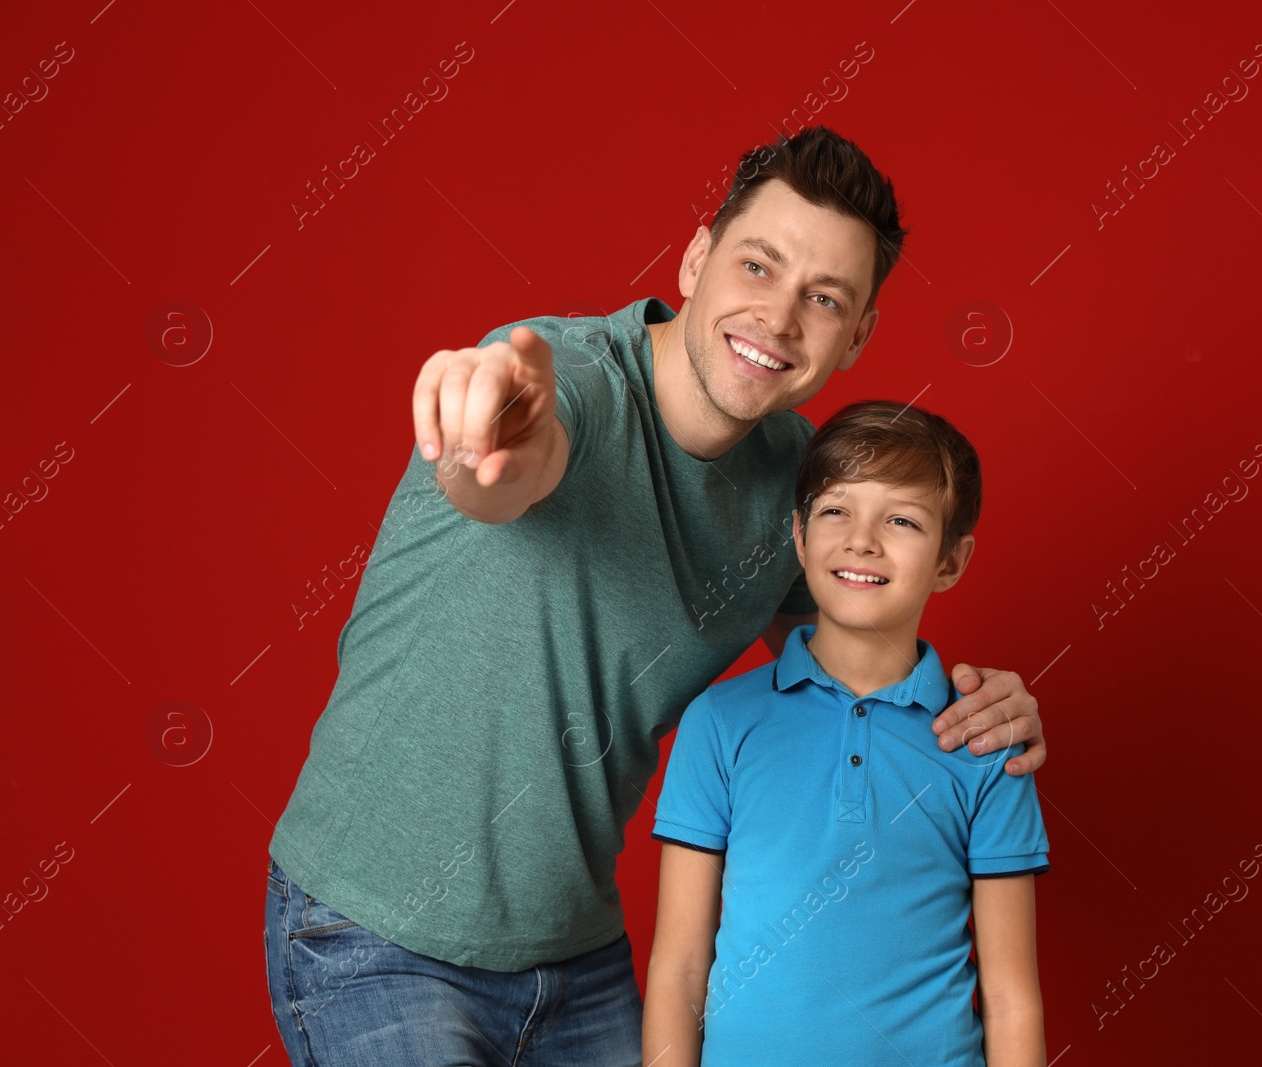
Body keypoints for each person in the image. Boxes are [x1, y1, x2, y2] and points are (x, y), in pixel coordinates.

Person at [264, 126, 1047, 1067]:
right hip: (376, 932)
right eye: (757, 265)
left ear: (858, 335)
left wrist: (987, 708)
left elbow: (858, 652)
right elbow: (507, 471)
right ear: (695, 258)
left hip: (575, 957)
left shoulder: (793, 486)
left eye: (825, 298)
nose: (779, 317)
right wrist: (482, 438)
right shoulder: (571, 382)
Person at [642, 401, 1049, 1067]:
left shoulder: (983, 741)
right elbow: (679, 967)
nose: (862, 539)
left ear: (951, 560)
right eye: (836, 510)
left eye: (902, 519)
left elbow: (1012, 998)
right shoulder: (720, 723)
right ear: (799, 536)